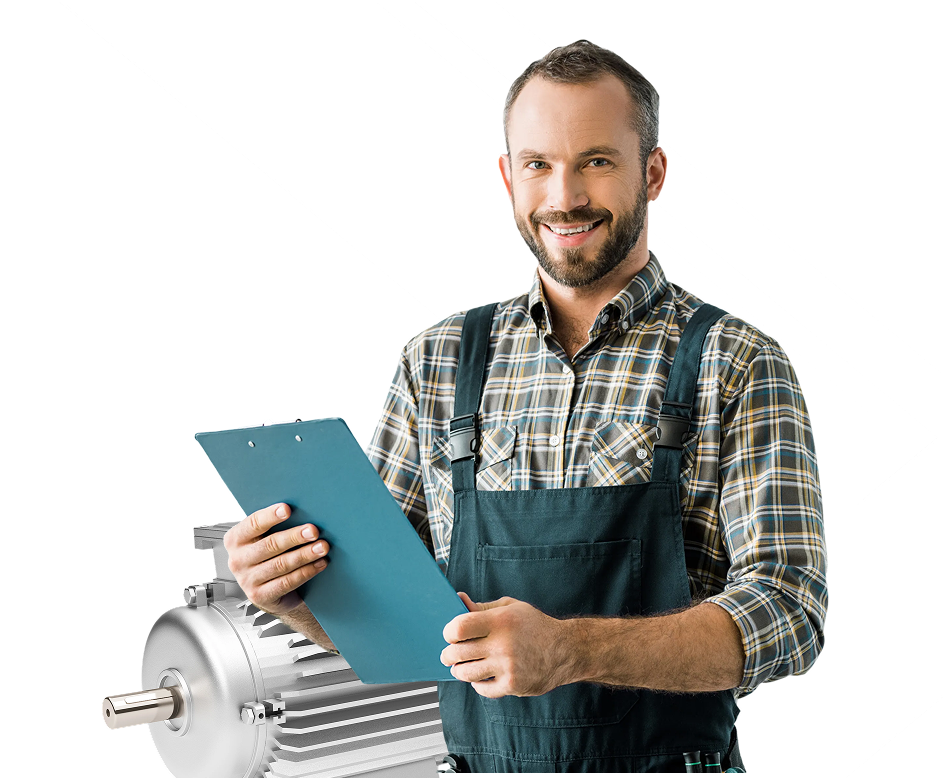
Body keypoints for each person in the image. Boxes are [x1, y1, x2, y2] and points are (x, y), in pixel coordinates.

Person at [223, 41, 828, 773]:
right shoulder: (437, 362)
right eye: (538, 164)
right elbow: (395, 622)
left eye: (595, 161)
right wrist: (290, 595)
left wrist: (570, 650)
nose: (564, 197)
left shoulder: (735, 360)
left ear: (653, 173)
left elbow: (789, 613)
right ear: (509, 176)